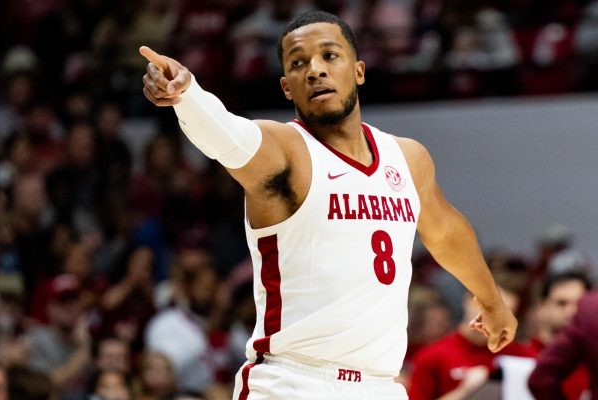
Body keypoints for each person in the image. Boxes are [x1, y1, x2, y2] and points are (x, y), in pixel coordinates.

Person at [140, 10, 517, 400]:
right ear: (287, 87)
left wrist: (492, 300)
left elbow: (445, 232)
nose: (315, 70)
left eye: (329, 56)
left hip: (381, 386)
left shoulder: (407, 158)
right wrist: (186, 95)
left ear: (359, 71)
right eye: (299, 63)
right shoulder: (285, 151)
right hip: (292, 382)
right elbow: (226, 135)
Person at [408, 283, 531, 400]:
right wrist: (464, 391)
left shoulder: (521, 358)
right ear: (469, 300)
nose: (494, 318)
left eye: (504, 314)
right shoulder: (433, 355)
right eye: (489, 307)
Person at [528, 290, 598, 400]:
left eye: (575, 304)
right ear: (542, 306)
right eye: (562, 303)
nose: (570, 311)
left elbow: (542, 380)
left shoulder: (591, 307)